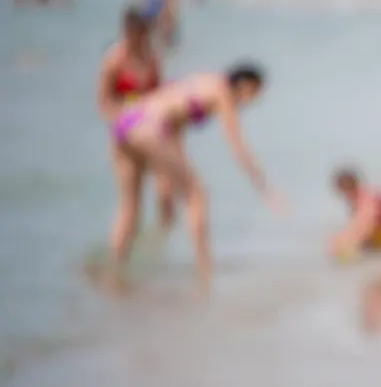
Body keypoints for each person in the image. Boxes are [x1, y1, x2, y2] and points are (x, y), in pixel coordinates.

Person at [104, 64, 284, 295]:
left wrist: (167, 179)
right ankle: (204, 274)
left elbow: (173, 125)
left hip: (125, 123)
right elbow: (238, 147)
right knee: (197, 196)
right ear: (245, 84)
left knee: (128, 208)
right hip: (150, 128)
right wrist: (265, 189)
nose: (250, 102)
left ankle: (114, 274)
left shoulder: (202, 80)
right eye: (254, 94)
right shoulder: (223, 93)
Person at [96, 5, 176, 234]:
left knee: (166, 192)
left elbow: (159, 95)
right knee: (131, 205)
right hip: (127, 134)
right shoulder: (113, 61)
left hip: (153, 131)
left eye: (144, 33)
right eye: (136, 32)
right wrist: (125, 118)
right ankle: (119, 263)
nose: (140, 37)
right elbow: (103, 103)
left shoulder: (151, 59)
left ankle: (162, 242)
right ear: (126, 31)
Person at [328, 168, 381, 257]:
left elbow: (365, 221)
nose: (343, 196)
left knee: (362, 243)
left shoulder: (365, 197)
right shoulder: (361, 196)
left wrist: (351, 240)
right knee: (360, 241)